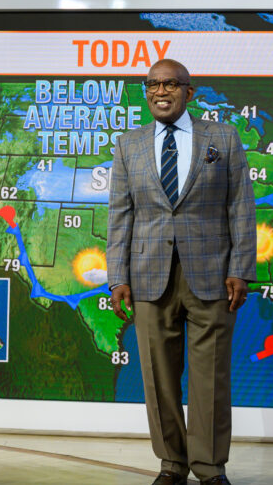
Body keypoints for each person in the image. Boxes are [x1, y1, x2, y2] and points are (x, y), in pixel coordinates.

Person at [107, 59, 257, 485]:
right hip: (147, 277)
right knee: (157, 377)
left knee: (211, 378)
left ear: (190, 91)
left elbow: (240, 208)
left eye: (170, 83)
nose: (161, 91)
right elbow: (120, 215)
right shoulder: (128, 144)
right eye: (152, 84)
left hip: (212, 275)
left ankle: (209, 467)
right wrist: (118, 276)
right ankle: (172, 464)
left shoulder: (223, 137)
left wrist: (241, 269)